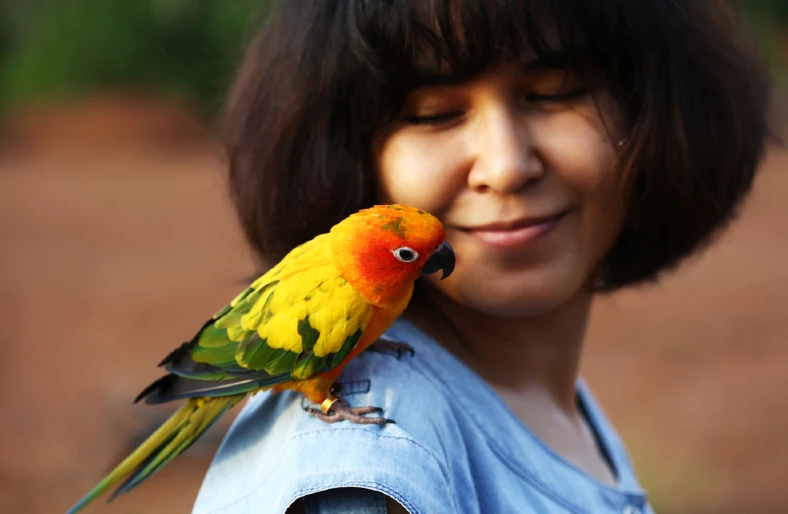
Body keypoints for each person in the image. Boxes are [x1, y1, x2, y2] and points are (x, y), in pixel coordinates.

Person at [192, 1, 771, 513]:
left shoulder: (544, 399)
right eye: (433, 113)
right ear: (340, 154)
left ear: (656, 109)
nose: (506, 167)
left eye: (554, 93)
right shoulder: (372, 472)